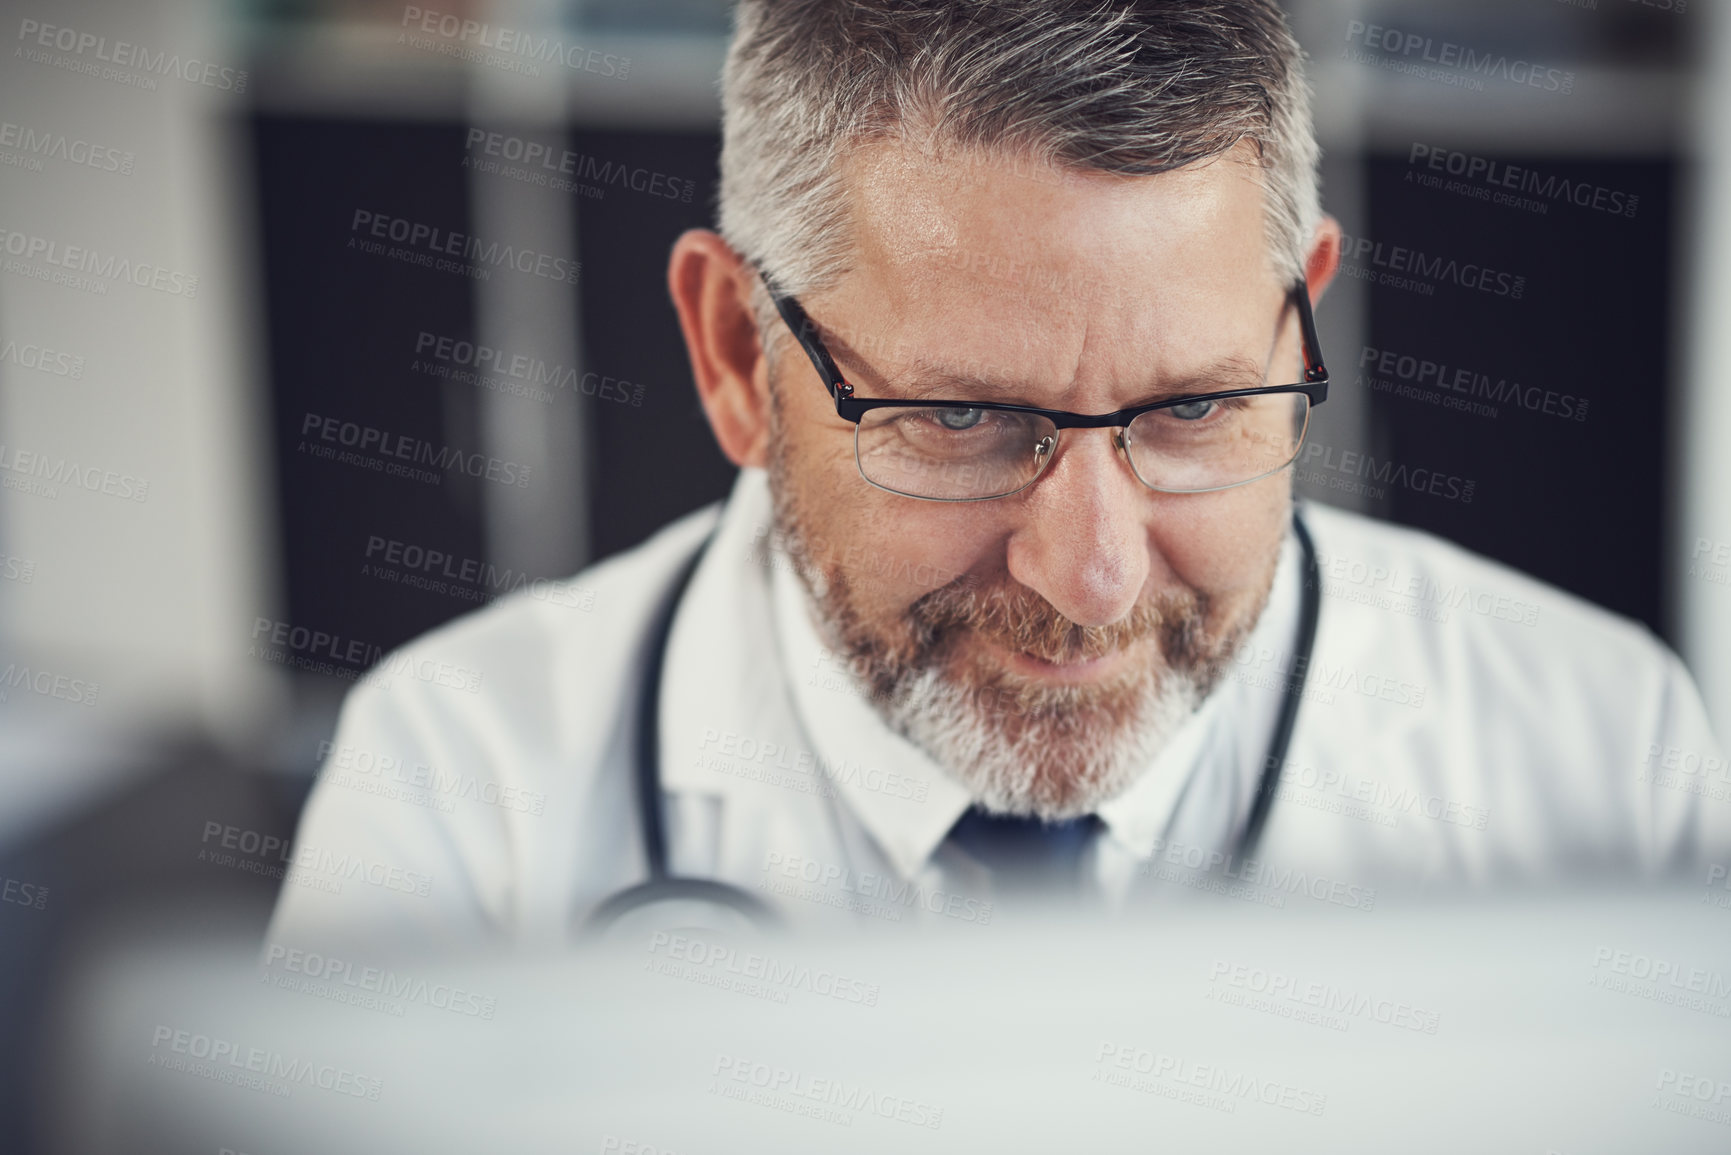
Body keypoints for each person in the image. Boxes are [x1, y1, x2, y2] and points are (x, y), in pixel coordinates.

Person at [267, 0, 1726, 950]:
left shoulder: (1603, 758)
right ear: (730, 352)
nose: (1090, 575)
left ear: (1302, 314)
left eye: (1198, 405)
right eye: (962, 421)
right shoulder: (455, 801)